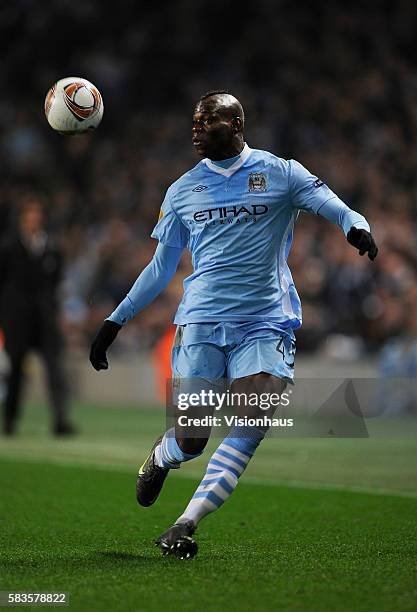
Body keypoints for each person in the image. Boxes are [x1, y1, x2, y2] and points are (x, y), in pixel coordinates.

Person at [90, 91, 378, 558]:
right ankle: (164, 455)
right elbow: (161, 268)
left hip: (266, 322)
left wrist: (355, 228)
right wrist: (115, 319)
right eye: (195, 122)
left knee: (250, 419)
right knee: (191, 438)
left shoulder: (281, 173)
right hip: (201, 323)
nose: (196, 129)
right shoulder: (182, 190)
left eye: (208, 121)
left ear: (237, 124)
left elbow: (338, 207)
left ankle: (184, 523)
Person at [0, 197, 75, 436]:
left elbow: (57, 284)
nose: (34, 221)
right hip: (17, 318)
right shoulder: (9, 246)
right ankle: (10, 419)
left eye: (38, 216)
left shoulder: (51, 247)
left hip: (45, 317)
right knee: (15, 371)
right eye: (30, 216)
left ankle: (60, 419)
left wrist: (58, 311)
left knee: (55, 369)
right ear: (23, 220)